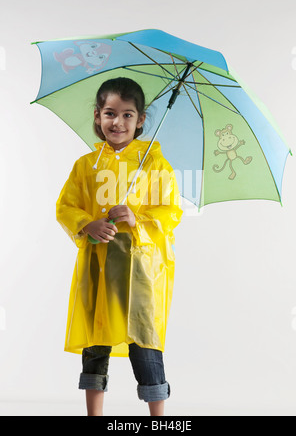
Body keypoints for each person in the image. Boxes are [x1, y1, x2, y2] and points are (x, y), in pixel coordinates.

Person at [56, 77, 183, 416]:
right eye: (110, 113)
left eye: (128, 115)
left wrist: (136, 219)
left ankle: (159, 418)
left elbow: (171, 213)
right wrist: (87, 223)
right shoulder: (86, 166)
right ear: (97, 116)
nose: (118, 122)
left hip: (140, 273)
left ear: (141, 120)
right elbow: (66, 206)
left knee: (145, 344)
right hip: (97, 269)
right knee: (95, 345)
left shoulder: (155, 164)